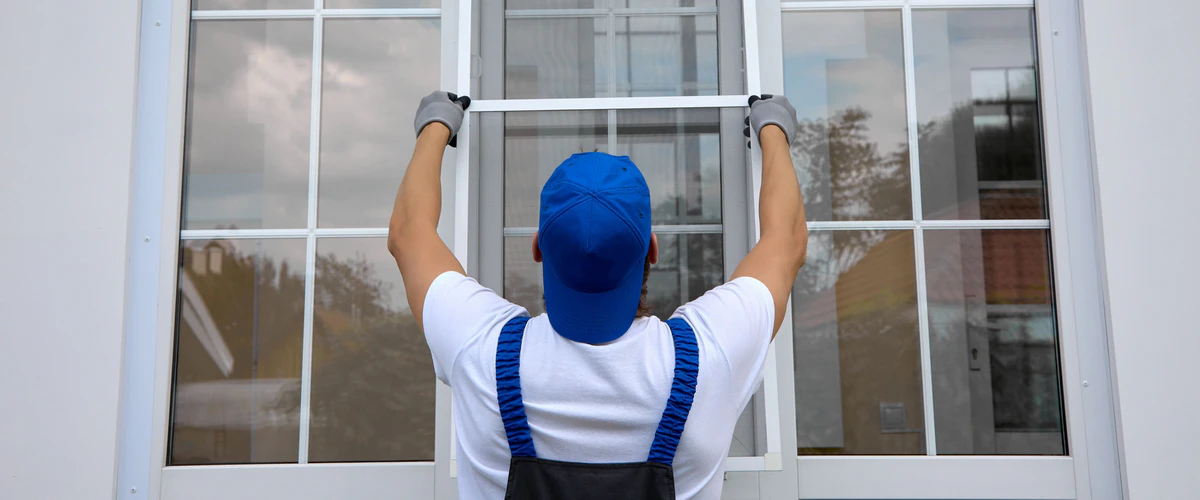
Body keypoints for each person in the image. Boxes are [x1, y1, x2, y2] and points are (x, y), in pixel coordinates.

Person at [388, 91, 807, 499]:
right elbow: (784, 242)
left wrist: (437, 123)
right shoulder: (711, 353)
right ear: (653, 250)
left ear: (538, 247)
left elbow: (409, 233)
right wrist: (771, 126)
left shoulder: (479, 346)